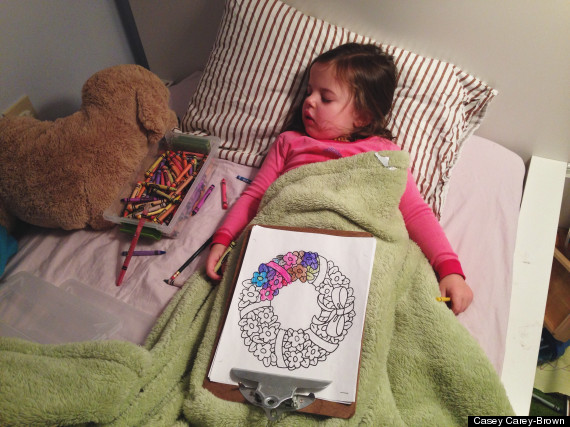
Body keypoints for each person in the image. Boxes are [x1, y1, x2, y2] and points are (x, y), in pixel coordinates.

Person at [205, 43, 473, 314]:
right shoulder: (290, 142)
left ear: (362, 116)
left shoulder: (384, 154)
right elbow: (256, 196)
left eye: (326, 98)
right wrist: (223, 239)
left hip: (354, 252)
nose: (309, 101)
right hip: (289, 240)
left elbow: (415, 212)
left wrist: (449, 269)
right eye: (309, 91)